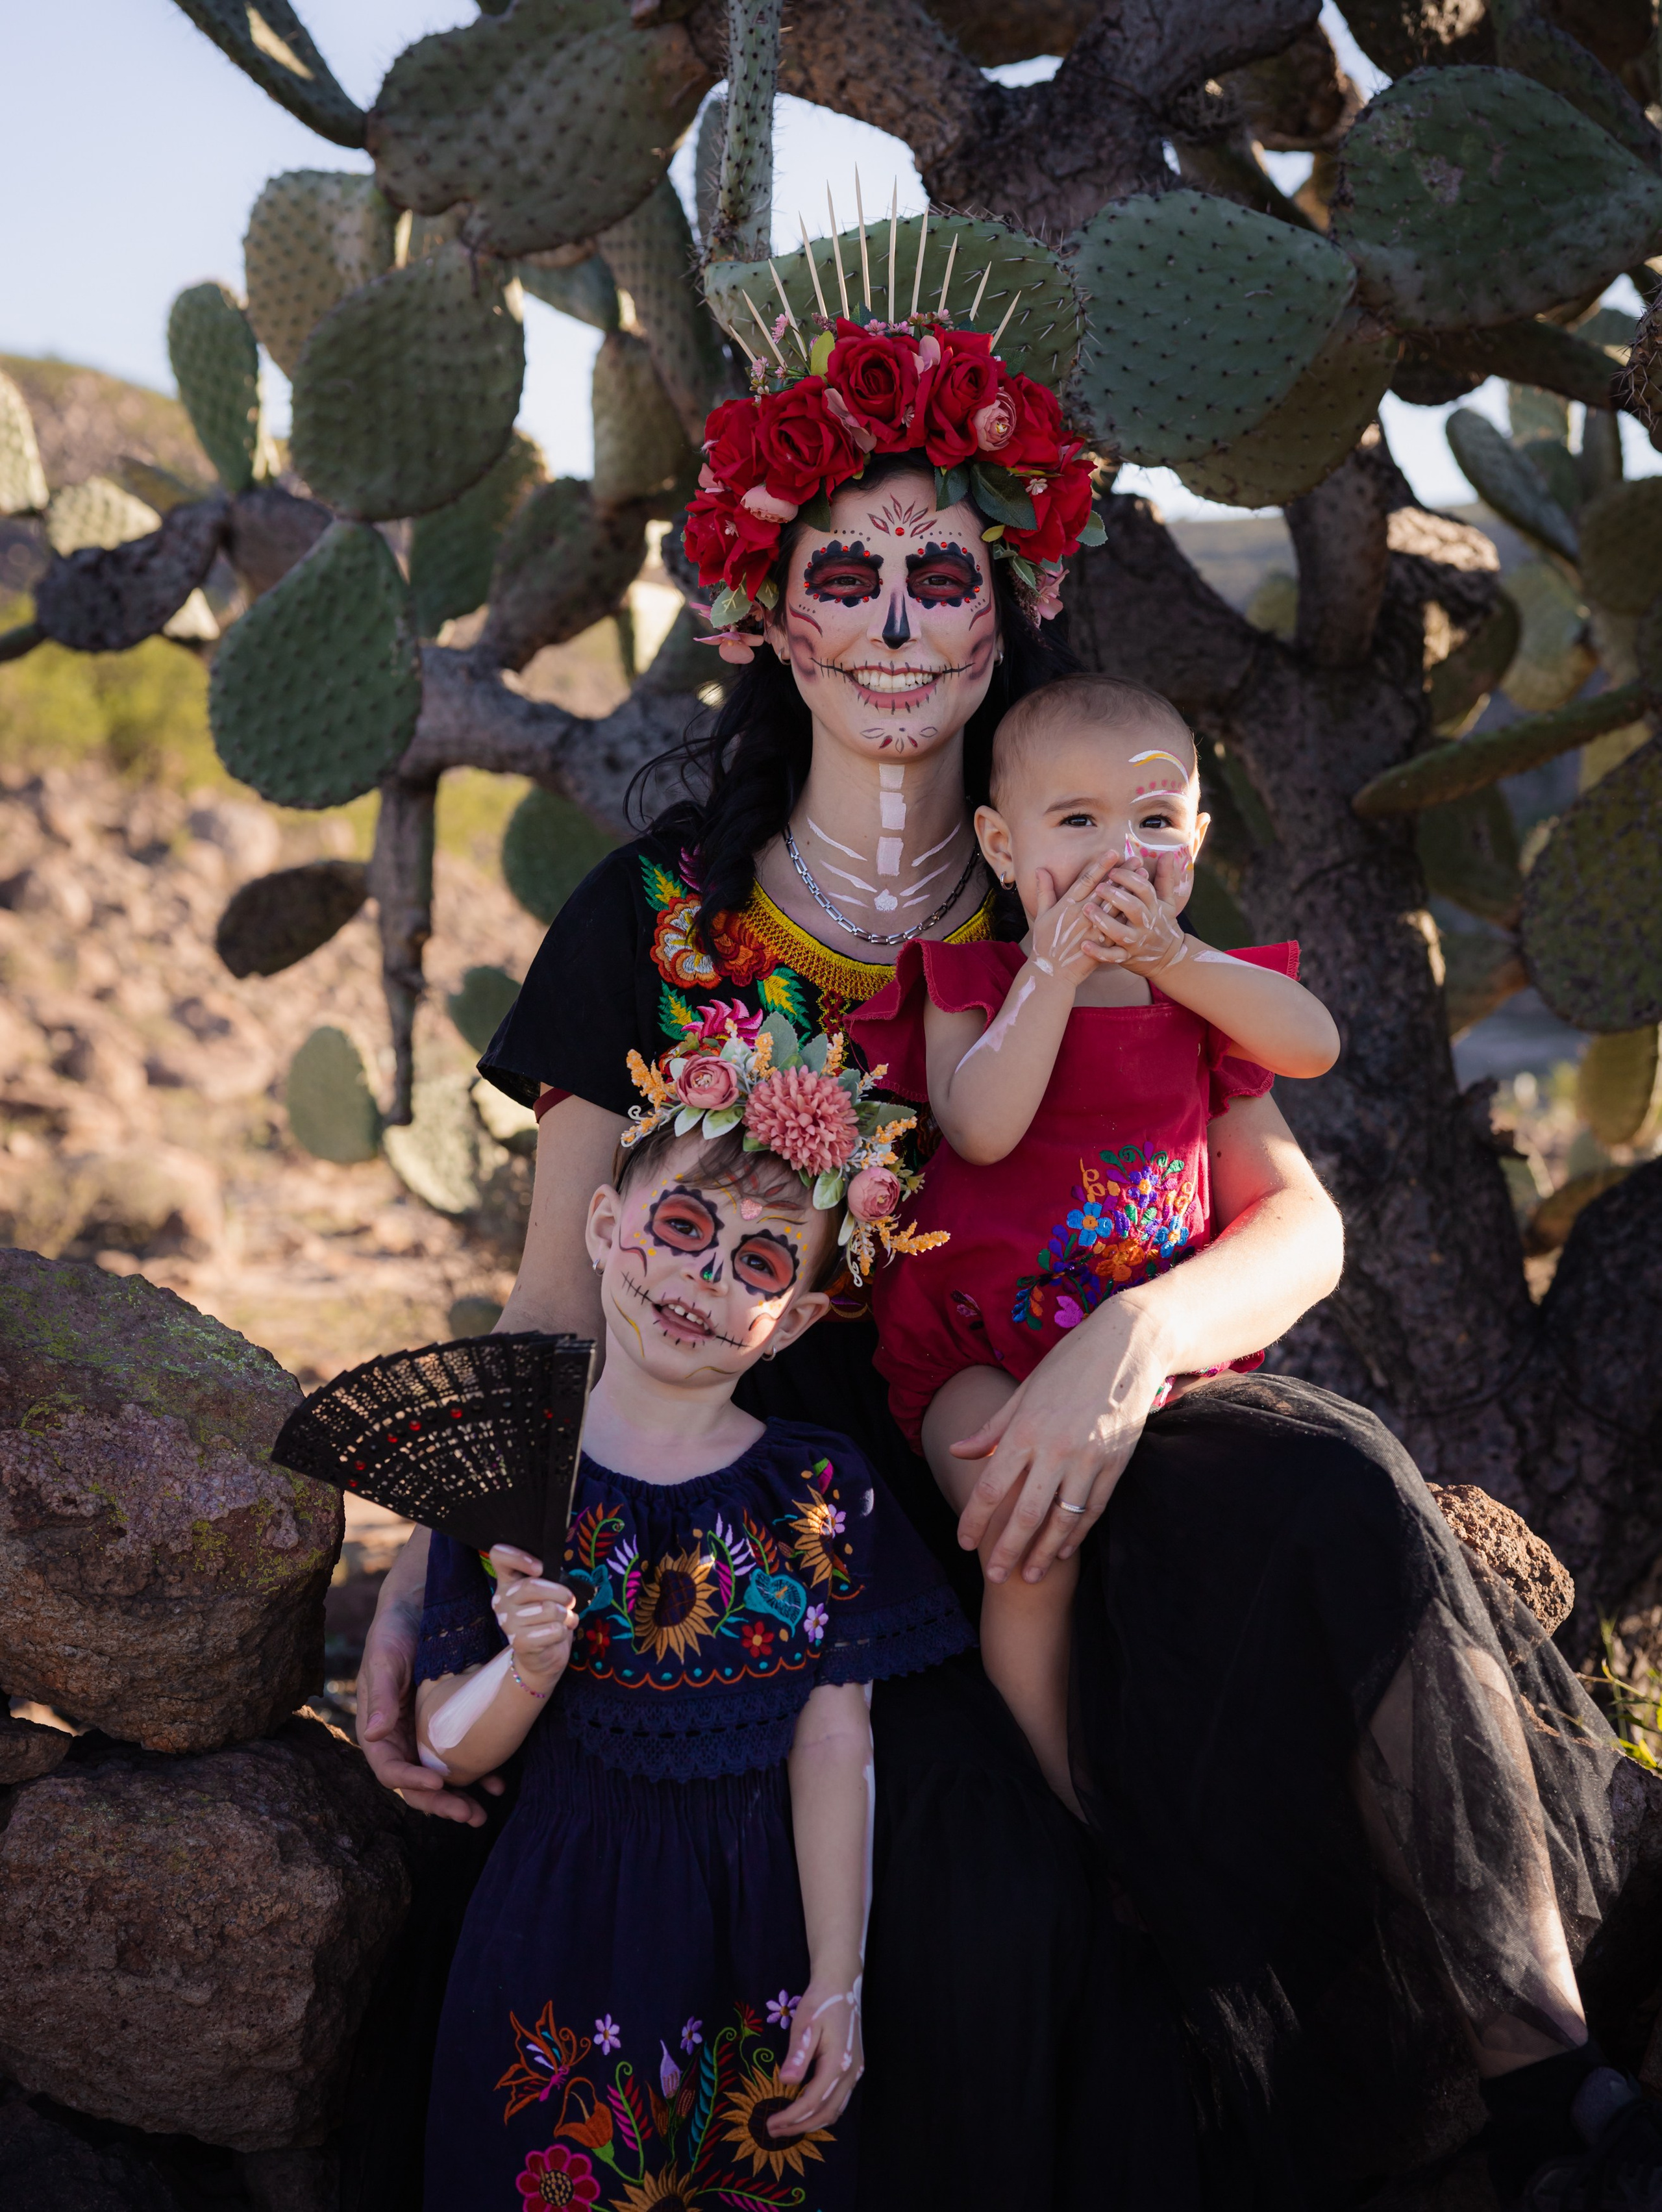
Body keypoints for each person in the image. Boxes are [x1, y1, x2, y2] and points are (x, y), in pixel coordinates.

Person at [354, 264, 1643, 2209]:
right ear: (769, 615)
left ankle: (1547, 2117)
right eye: (845, 578)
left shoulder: (1099, 861)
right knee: (987, 1896)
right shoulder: (652, 919)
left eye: (938, 576)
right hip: (782, 1513)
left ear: (1007, 605)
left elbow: (1297, 1222)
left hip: (1091, 1437)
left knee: (1331, 1497)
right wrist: (425, 1566)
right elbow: (555, 1293)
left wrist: (1118, 1364)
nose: (891, 623)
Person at [414, 1039, 973, 2211]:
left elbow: (835, 1747)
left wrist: (837, 1977)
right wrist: (525, 1669)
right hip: (553, 1946)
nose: (704, 1276)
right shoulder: (516, 1470)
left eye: (759, 1261)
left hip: (758, 1946)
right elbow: (444, 1747)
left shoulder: (823, 1490)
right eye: (682, 1229)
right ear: (607, 1222)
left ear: (802, 1315)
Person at [847, 673, 1340, 1811]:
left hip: (1153, 1364)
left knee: (1220, 1540)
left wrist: (1177, 962)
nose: (1123, 852)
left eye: (1155, 822)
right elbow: (979, 1125)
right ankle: (1060, 1792)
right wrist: (1054, 973)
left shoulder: (1204, 1003)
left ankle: (1195, 1770)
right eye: (1078, 823)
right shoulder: (972, 982)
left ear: (1198, 842)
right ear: (1002, 846)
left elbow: (1311, 1045)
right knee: (1026, 1539)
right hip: (977, 1353)